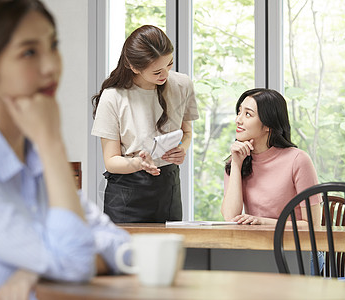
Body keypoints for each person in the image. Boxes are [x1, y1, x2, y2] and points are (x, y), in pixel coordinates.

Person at [0, 0, 129, 299]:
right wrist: (52, 142)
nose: (51, 65)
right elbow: (75, 261)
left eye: (53, 45)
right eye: (29, 52)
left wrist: (39, 268)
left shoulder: (32, 156)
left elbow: (122, 247)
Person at [91, 25, 199, 223]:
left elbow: (187, 133)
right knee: (126, 254)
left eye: (169, 64)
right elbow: (111, 161)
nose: (165, 74)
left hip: (168, 186)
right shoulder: (113, 97)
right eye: (157, 71)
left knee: (169, 253)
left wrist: (181, 149)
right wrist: (139, 163)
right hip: (126, 193)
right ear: (134, 67)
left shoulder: (182, 85)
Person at [221, 88, 323, 274]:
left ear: (268, 125)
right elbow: (230, 217)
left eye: (248, 114)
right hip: (261, 249)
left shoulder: (298, 160)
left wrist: (263, 222)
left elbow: (313, 226)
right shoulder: (237, 160)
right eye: (239, 112)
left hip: (300, 250)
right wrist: (236, 165)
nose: (238, 119)